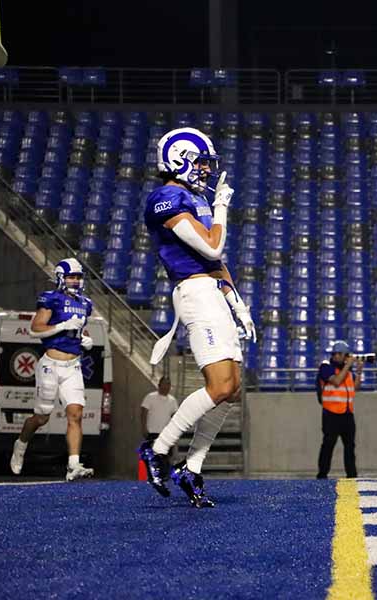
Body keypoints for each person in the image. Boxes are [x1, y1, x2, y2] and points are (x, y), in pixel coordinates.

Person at [138, 127, 256, 508]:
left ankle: (194, 467)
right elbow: (213, 244)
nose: (206, 171)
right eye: (201, 163)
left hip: (212, 292)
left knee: (232, 388)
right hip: (193, 293)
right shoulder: (166, 198)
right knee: (219, 386)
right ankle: (158, 449)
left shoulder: (190, 198)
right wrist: (222, 208)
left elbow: (215, 260)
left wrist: (237, 303)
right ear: (180, 160)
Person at [9, 258, 96, 481]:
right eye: (71, 277)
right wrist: (61, 325)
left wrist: (86, 339)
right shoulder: (51, 299)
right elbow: (35, 330)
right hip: (51, 364)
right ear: (60, 277)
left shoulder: (85, 303)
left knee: (75, 414)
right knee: (41, 417)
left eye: (78, 277)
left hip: (73, 365)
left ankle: (73, 465)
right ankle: (20, 445)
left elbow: (79, 331)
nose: (75, 281)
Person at [316, 341, 363, 479]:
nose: (339, 357)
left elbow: (355, 389)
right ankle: (322, 474)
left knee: (350, 447)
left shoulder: (348, 373)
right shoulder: (326, 367)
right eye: (337, 354)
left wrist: (359, 372)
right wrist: (348, 365)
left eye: (343, 355)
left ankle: (352, 475)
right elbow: (336, 381)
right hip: (331, 413)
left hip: (347, 414)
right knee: (328, 445)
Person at [140, 376, 178, 442]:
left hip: (166, 434)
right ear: (159, 385)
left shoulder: (173, 400)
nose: (166, 386)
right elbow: (143, 414)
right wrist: (144, 428)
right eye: (164, 384)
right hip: (152, 433)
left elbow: (175, 417)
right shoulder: (150, 397)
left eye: (168, 384)